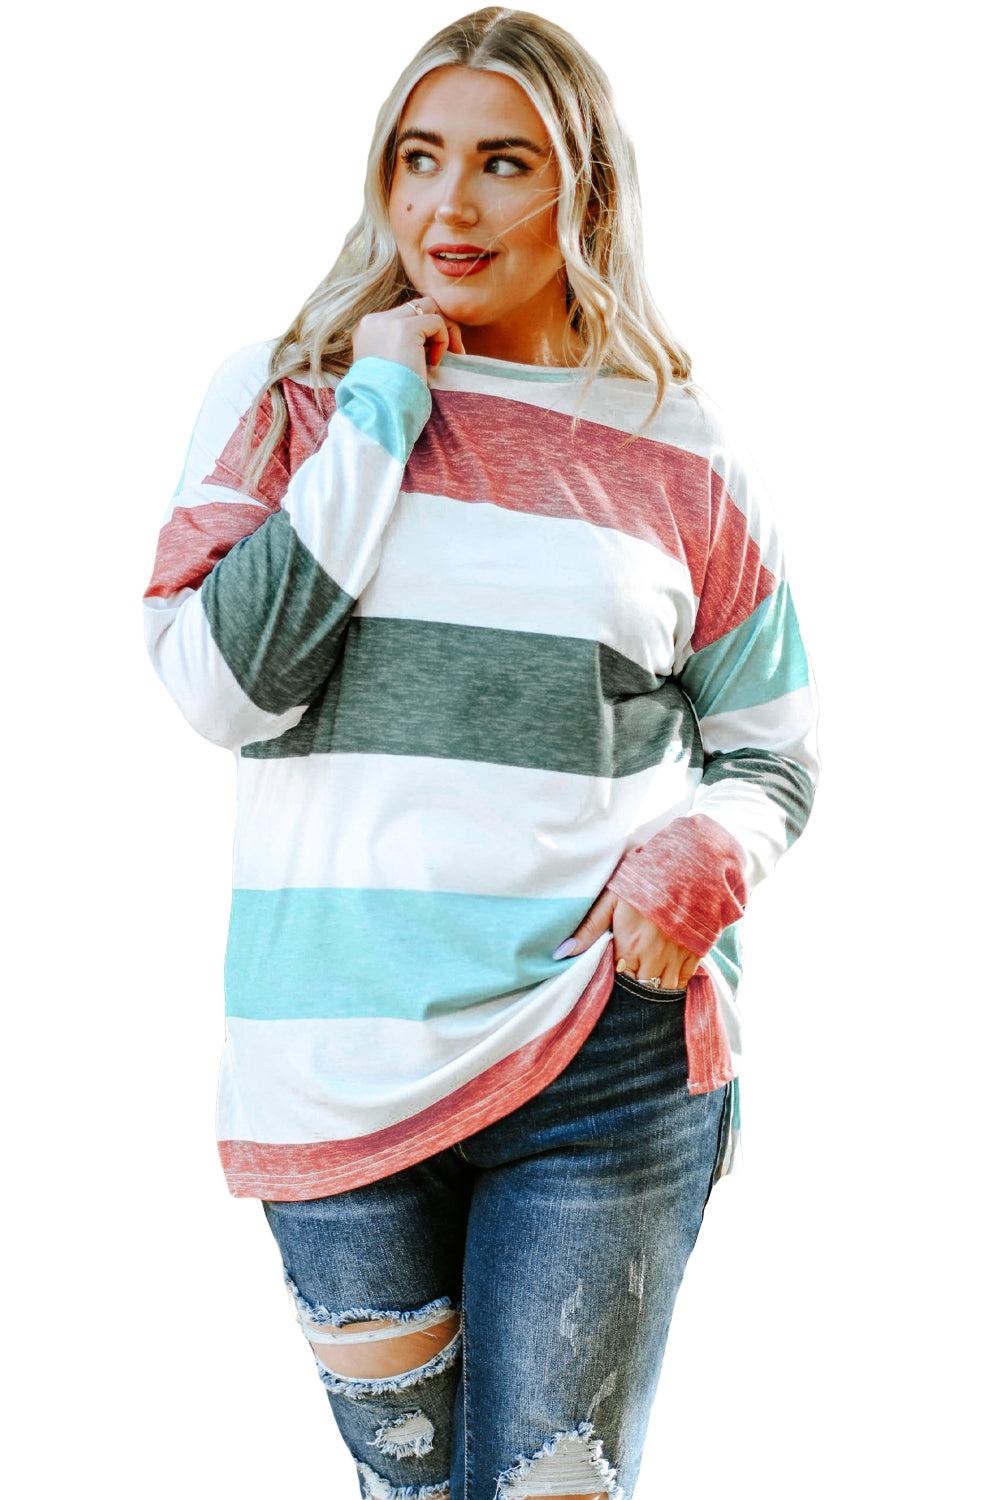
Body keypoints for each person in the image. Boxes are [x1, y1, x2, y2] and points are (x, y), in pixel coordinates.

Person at [143, 9, 818, 1498]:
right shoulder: (288, 397)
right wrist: (381, 410)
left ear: (586, 188)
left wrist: (698, 854)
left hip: (603, 1052)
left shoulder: (681, 449)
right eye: (418, 157)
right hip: (336, 1062)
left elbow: (772, 750)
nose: (449, 205)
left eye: (504, 162)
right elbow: (223, 690)